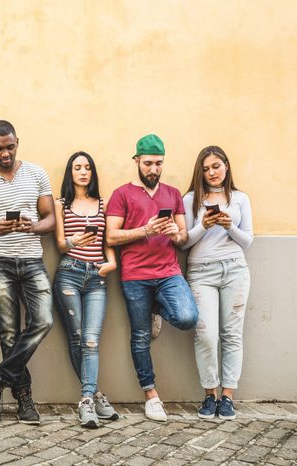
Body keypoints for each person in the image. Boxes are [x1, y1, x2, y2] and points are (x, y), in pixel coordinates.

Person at [0, 120, 55, 425]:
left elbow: (50, 220)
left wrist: (33, 226)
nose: (5, 153)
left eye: (10, 147)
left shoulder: (37, 174)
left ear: (18, 142)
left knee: (43, 320)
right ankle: (25, 400)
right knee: (8, 333)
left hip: (32, 259)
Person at [105, 134, 198, 422]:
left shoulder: (172, 193)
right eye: (147, 163)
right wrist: (145, 230)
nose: (153, 170)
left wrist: (175, 234)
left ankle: (158, 308)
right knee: (140, 336)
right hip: (135, 276)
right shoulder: (121, 194)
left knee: (187, 317)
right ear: (136, 161)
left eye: (158, 164)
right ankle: (151, 395)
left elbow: (183, 237)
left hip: (169, 273)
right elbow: (111, 236)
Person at [181, 146, 253, 421]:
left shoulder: (240, 198)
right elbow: (185, 241)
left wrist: (228, 226)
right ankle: (209, 394)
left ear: (226, 166)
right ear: (200, 171)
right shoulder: (191, 199)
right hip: (201, 272)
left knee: (232, 334)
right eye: (206, 168)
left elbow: (247, 240)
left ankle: (228, 397)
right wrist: (205, 225)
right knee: (206, 334)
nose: (212, 172)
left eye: (216, 166)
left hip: (235, 269)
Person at [52, 151, 119, 428]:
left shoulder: (103, 203)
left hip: (96, 277)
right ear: (70, 172)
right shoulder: (61, 204)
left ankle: (88, 400)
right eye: (77, 167)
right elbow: (58, 244)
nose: (83, 172)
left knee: (90, 340)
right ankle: (93, 399)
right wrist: (73, 240)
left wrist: (112, 262)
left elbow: (107, 242)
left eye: (87, 167)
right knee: (78, 337)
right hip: (69, 271)